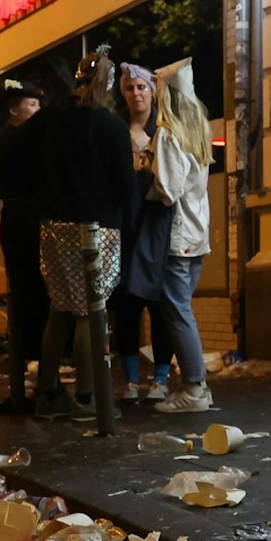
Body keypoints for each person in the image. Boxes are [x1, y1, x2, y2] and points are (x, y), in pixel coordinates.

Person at [1, 45, 138, 421]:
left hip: (53, 225)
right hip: (98, 228)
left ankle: (48, 394)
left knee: (60, 308)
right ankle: (87, 397)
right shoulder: (110, 126)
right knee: (90, 312)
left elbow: (17, 148)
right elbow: (125, 185)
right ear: (109, 85)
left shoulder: (53, 121)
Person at [148, 58, 215, 414]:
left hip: (176, 236)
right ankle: (197, 386)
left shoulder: (169, 134)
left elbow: (168, 190)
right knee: (181, 310)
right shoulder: (199, 130)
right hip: (197, 234)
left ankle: (194, 387)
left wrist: (148, 176)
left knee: (177, 313)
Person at [108, 62, 176, 406]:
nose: (136, 93)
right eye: (130, 88)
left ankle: (161, 378)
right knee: (127, 308)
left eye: (141, 87)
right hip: (127, 227)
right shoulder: (117, 133)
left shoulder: (165, 130)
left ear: (152, 91)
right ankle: (132, 380)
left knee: (161, 306)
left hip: (158, 225)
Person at [0, 81, 47, 413]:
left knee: (26, 296)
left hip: (17, 219)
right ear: (14, 109)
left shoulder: (8, 140)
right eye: (31, 105)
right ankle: (37, 371)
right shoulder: (20, 140)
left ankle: (30, 374)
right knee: (32, 295)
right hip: (27, 220)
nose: (36, 112)